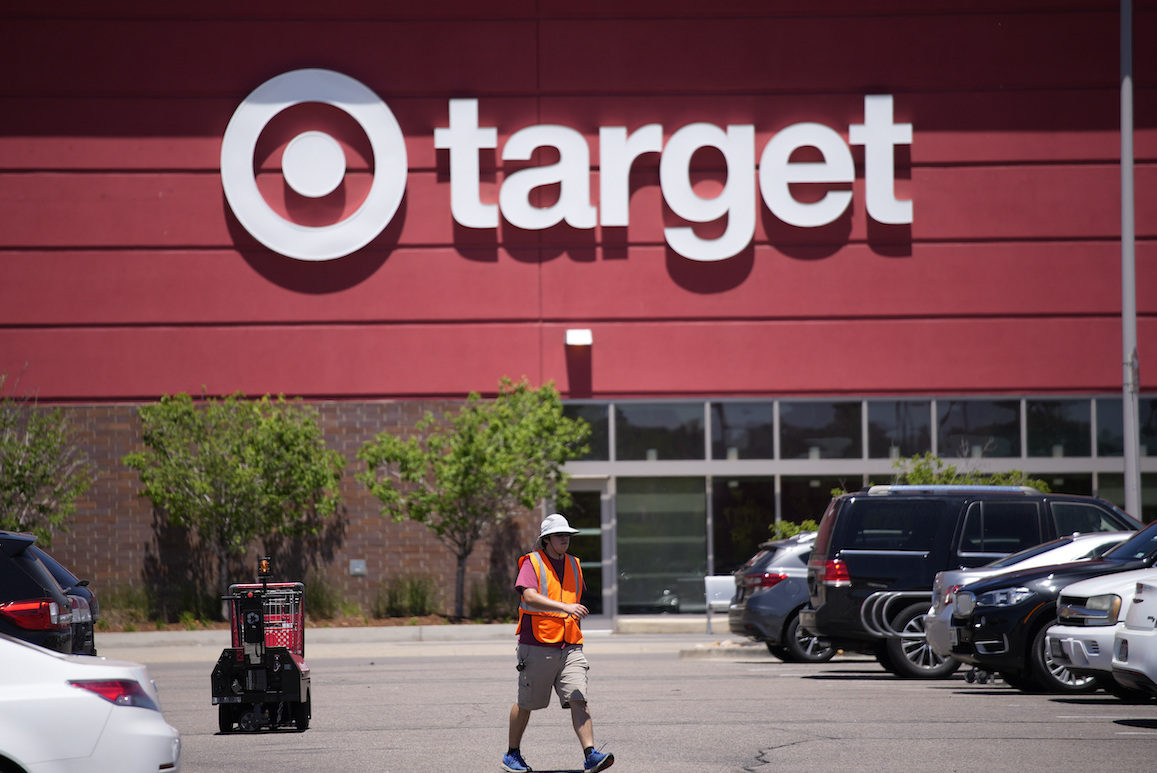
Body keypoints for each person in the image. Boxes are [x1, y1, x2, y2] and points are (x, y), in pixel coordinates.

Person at [501, 513, 614, 773]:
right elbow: (529, 596)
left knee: (579, 697)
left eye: (568, 535)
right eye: (560, 535)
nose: (565, 539)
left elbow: (574, 596)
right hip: (538, 644)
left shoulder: (574, 563)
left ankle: (590, 755)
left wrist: (571, 612)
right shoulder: (533, 562)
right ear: (547, 539)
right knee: (527, 703)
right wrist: (565, 607)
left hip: (570, 643)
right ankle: (512, 754)